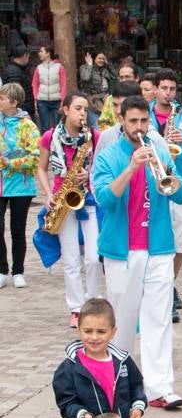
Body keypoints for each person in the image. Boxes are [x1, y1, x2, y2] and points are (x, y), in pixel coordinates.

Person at [91, 95, 182, 410]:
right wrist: (132, 168)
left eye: (144, 121)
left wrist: (167, 175)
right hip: (123, 250)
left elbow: (179, 195)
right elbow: (105, 199)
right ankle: (117, 384)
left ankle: (160, 387)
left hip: (159, 246)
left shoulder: (159, 152)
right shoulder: (108, 157)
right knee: (122, 316)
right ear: (121, 120)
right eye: (133, 121)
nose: (139, 128)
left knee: (158, 318)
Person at [37, 92, 102, 327]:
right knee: (72, 258)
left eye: (85, 109)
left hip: (89, 198)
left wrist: (90, 175)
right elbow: (42, 169)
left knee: (94, 258)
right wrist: (48, 194)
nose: (82, 113)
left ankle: (94, 301)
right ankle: (76, 307)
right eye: (77, 108)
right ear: (65, 110)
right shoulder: (49, 137)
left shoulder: (93, 136)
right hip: (63, 200)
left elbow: (101, 168)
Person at [147, 69, 182, 324]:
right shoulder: (143, 114)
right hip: (152, 187)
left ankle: (169, 284)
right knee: (154, 243)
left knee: (179, 244)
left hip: (181, 185)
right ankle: (161, 293)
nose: (168, 93)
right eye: (164, 88)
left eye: (172, 89)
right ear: (156, 89)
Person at [0, 82, 40, 289]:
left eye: (2, 98)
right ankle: (2, 270)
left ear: (14, 102)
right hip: (0, 184)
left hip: (21, 186)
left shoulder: (28, 126)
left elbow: (34, 156)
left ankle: (18, 271)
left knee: (18, 229)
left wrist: (10, 162)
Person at [32, 43, 67, 132]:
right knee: (44, 127)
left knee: (57, 127)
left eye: (41, 51)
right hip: (42, 101)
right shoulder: (38, 68)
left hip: (56, 101)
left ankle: (57, 145)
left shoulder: (59, 67)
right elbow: (34, 85)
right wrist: (35, 99)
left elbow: (63, 85)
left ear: (48, 53)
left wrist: (63, 101)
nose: (39, 53)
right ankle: (46, 145)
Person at [4, 45, 36, 123]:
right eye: (28, 56)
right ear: (25, 55)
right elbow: (15, 96)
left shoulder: (16, 69)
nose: (28, 59)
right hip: (20, 115)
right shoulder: (15, 72)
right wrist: (22, 114)